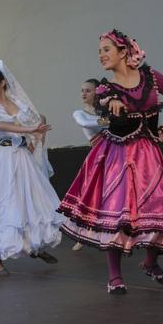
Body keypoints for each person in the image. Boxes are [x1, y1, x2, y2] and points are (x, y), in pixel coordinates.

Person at [58, 29, 163, 295]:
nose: (101, 55)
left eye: (106, 49)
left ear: (123, 51)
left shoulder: (151, 77)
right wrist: (112, 101)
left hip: (148, 154)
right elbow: (105, 102)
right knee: (118, 213)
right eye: (99, 51)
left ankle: (150, 262)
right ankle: (114, 276)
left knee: (160, 208)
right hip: (117, 156)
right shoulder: (107, 88)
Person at [0, 60, 64, 276]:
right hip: (1, 160)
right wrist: (30, 129)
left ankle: (32, 246)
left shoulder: (20, 104)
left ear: (2, 83)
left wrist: (35, 137)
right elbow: (2, 126)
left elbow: (38, 123)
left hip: (21, 157)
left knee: (27, 202)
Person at [70, 79, 104, 252]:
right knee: (90, 195)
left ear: (97, 92)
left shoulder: (106, 110)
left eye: (88, 90)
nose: (83, 93)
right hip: (97, 156)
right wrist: (108, 121)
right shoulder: (79, 113)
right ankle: (82, 236)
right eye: (82, 90)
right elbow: (85, 123)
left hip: (114, 154)